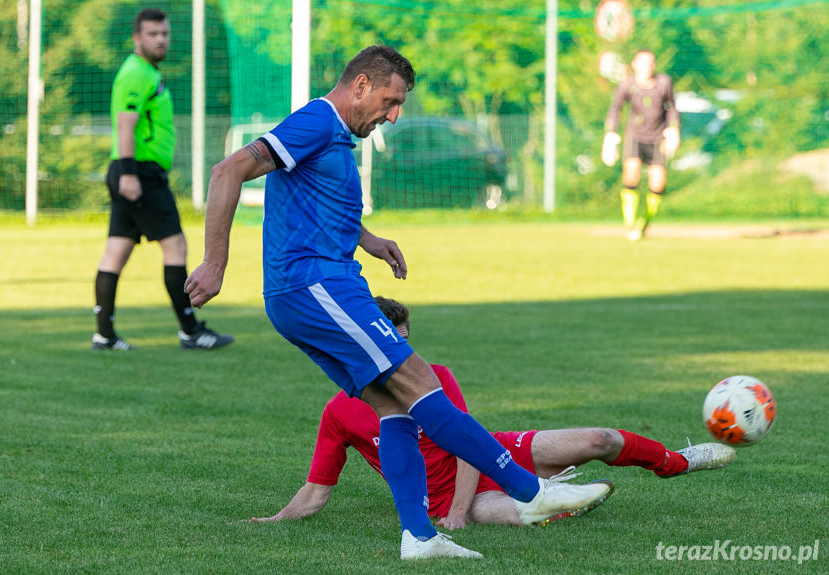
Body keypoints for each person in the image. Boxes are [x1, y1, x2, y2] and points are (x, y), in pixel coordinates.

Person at [184, 45, 614, 560]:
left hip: (315, 287)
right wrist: (214, 262)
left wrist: (367, 240)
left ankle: (420, 537)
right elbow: (228, 170)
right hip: (316, 286)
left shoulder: (332, 136)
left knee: (395, 407)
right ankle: (533, 491)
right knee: (422, 384)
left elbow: (311, 199)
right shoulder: (317, 120)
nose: (393, 115)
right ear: (360, 84)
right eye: (390, 101)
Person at [249, 297, 736, 529]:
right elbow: (317, 490)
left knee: (601, 440)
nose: (402, 347)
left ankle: (679, 461)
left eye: (405, 336)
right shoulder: (339, 412)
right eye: (391, 337)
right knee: (529, 515)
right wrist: (274, 521)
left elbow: (467, 446)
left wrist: (459, 516)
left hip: (493, 454)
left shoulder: (432, 374)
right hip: (439, 499)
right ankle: (561, 492)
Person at [92, 8, 233, 351]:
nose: (161, 40)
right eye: (153, 34)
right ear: (137, 38)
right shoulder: (136, 73)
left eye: (165, 34)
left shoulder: (145, 72)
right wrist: (128, 173)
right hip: (137, 172)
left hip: (135, 171)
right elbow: (125, 125)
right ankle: (190, 330)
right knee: (175, 246)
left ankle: (104, 336)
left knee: (116, 250)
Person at [602, 49, 680, 241]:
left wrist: (673, 129)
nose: (647, 66)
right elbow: (615, 110)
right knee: (631, 175)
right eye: (643, 62)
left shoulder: (663, 83)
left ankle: (644, 223)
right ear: (635, 64)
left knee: (658, 183)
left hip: (657, 139)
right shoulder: (627, 85)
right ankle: (630, 224)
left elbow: (672, 108)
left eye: (650, 62)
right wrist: (610, 135)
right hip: (635, 137)